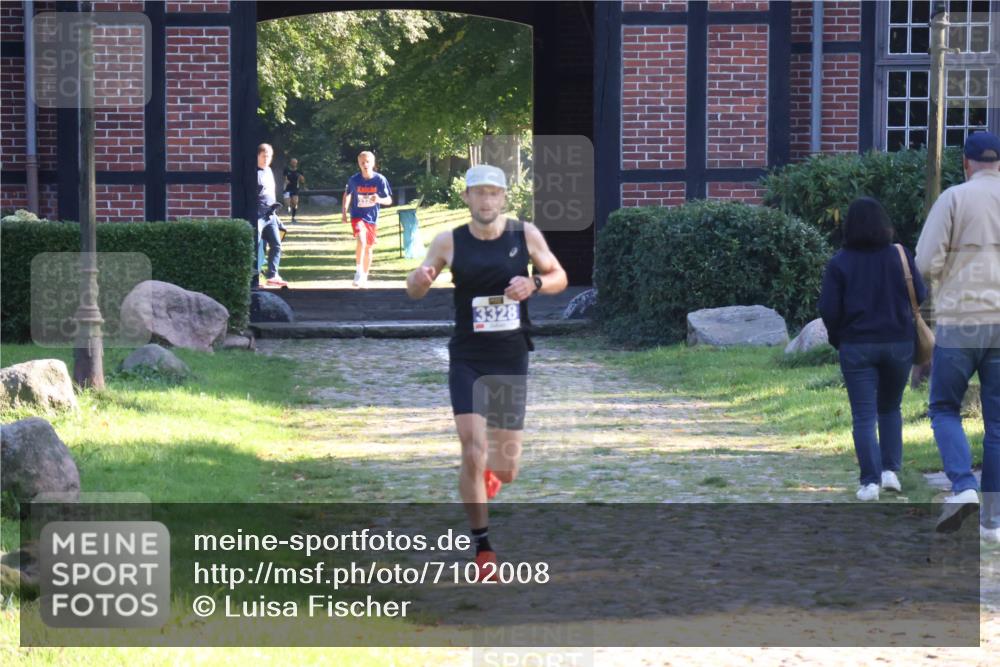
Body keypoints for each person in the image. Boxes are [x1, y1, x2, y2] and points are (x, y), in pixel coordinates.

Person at [406, 165, 568, 581]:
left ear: (503, 198)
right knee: (472, 449)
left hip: (510, 356)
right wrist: (421, 279)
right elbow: (415, 286)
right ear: (466, 198)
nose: (486, 201)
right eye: (478, 193)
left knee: (506, 468)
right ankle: (483, 548)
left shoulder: (523, 234)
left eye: (493, 193)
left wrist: (533, 284)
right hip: (468, 357)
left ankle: (493, 478)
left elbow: (559, 276)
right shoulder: (450, 241)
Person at [915, 130, 1000, 541]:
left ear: (965, 163)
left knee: (945, 407)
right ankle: (993, 521)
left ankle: (964, 486)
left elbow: (925, 260)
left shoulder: (953, 198)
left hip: (960, 320)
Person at [819, 197, 926, 502]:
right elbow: (920, 294)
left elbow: (828, 308)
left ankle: (869, 483)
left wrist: (839, 337)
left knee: (864, 415)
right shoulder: (901, 255)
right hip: (899, 343)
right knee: (891, 407)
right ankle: (891, 471)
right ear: (884, 224)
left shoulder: (840, 262)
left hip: (857, 345)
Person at [342, 151, 392, 288]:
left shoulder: (380, 179)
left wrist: (379, 199)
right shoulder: (354, 179)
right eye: (362, 162)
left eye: (367, 162)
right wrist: (344, 212)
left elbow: (389, 200)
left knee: (369, 248)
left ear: (373, 163)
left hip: (372, 218)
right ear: (359, 164)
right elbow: (347, 195)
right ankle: (358, 272)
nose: (365, 164)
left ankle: (364, 276)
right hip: (357, 216)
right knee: (361, 240)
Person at [256, 143, 286, 287]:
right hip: (257, 214)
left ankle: (273, 275)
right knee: (255, 246)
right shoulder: (253, 172)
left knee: (276, 244)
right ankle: (254, 277)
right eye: (264, 156)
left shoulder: (269, 170)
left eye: (269, 156)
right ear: (257, 156)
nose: (266, 159)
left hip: (271, 214)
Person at [283, 158, 305, 223]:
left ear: (296, 163)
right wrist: (286, 180)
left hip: (295, 188)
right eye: (293, 162)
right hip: (287, 188)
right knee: (288, 203)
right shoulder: (286, 170)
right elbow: (284, 177)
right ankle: (288, 207)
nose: (294, 164)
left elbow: (303, 180)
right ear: (290, 163)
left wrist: (302, 178)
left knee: (295, 203)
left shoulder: (299, 171)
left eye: (295, 162)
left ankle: (293, 217)